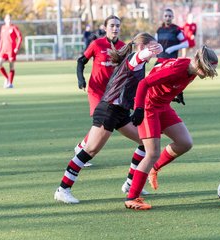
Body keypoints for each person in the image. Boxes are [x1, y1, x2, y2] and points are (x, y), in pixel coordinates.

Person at [54, 32, 163, 204]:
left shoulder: (139, 63)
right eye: (152, 48)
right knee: (90, 150)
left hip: (120, 112)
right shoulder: (134, 58)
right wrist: (155, 48)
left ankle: (130, 183)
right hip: (108, 110)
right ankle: (63, 189)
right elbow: (144, 54)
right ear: (142, 47)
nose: (155, 53)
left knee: (145, 141)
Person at [124, 46, 218, 210]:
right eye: (208, 70)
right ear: (199, 63)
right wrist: (139, 108)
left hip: (163, 106)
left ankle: (154, 168)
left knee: (185, 142)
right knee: (152, 153)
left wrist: (175, 91)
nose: (208, 74)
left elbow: (161, 62)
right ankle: (132, 197)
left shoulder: (192, 70)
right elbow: (144, 83)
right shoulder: (177, 70)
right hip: (149, 107)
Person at [75, 16, 125, 168]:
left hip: (112, 92)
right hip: (96, 90)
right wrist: (81, 80)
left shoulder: (123, 46)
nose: (115, 28)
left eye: (117, 25)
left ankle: (81, 147)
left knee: (104, 122)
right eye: (112, 25)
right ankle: (83, 151)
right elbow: (81, 61)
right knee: (100, 121)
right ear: (105, 28)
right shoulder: (97, 44)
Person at [0, 14, 22, 89]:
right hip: (3, 50)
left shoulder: (14, 27)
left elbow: (20, 37)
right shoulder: (3, 28)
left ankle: (10, 83)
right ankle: (7, 78)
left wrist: (17, 47)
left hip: (11, 50)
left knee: (11, 67)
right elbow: (1, 39)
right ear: (5, 20)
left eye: (10, 19)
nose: (9, 20)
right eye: (7, 19)